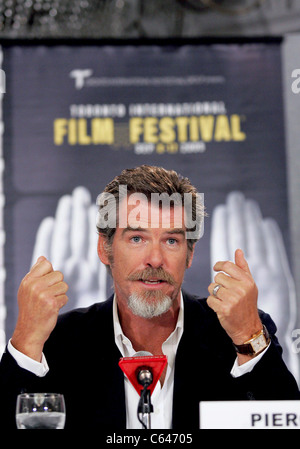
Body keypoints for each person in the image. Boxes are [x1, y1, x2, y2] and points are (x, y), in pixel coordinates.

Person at [0, 165, 299, 430]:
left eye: (171, 240)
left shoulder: (238, 333)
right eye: (137, 238)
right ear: (105, 249)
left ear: (190, 254)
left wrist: (248, 337)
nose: (155, 259)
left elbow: (285, 424)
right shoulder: (58, 341)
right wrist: (25, 342)